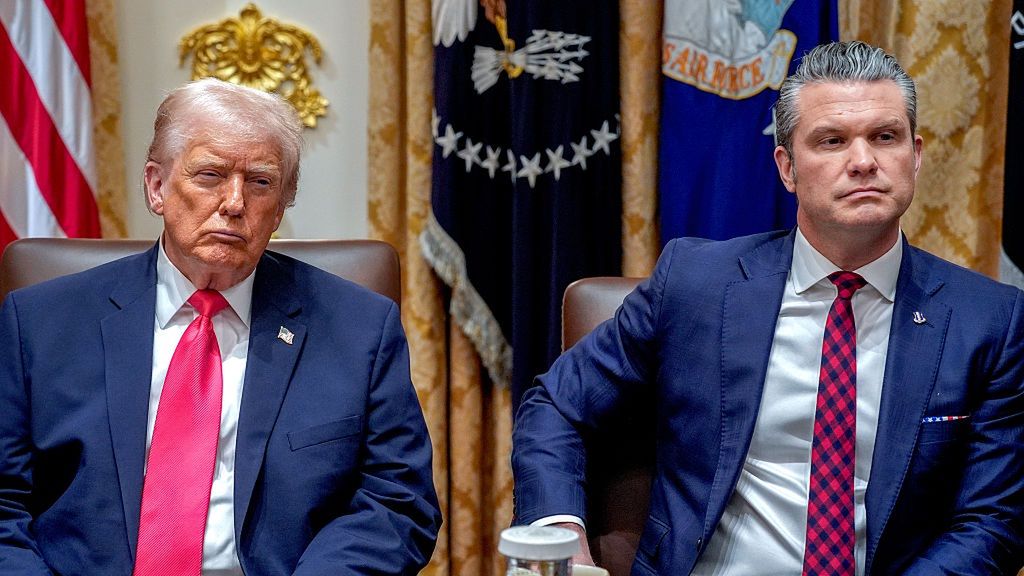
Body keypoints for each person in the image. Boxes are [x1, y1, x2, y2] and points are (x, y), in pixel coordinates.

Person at [512, 41, 1024, 575]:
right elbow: (556, 405)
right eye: (831, 141)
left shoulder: (989, 322)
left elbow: (993, 521)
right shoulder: (696, 284)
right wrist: (561, 536)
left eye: (885, 137)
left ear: (914, 156)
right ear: (787, 167)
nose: (864, 161)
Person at [0, 78, 441, 575]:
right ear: (157, 187)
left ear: (281, 206)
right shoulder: (40, 323)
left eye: (260, 182)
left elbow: (397, 501)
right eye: (209, 175)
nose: (234, 202)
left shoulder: (358, 328)